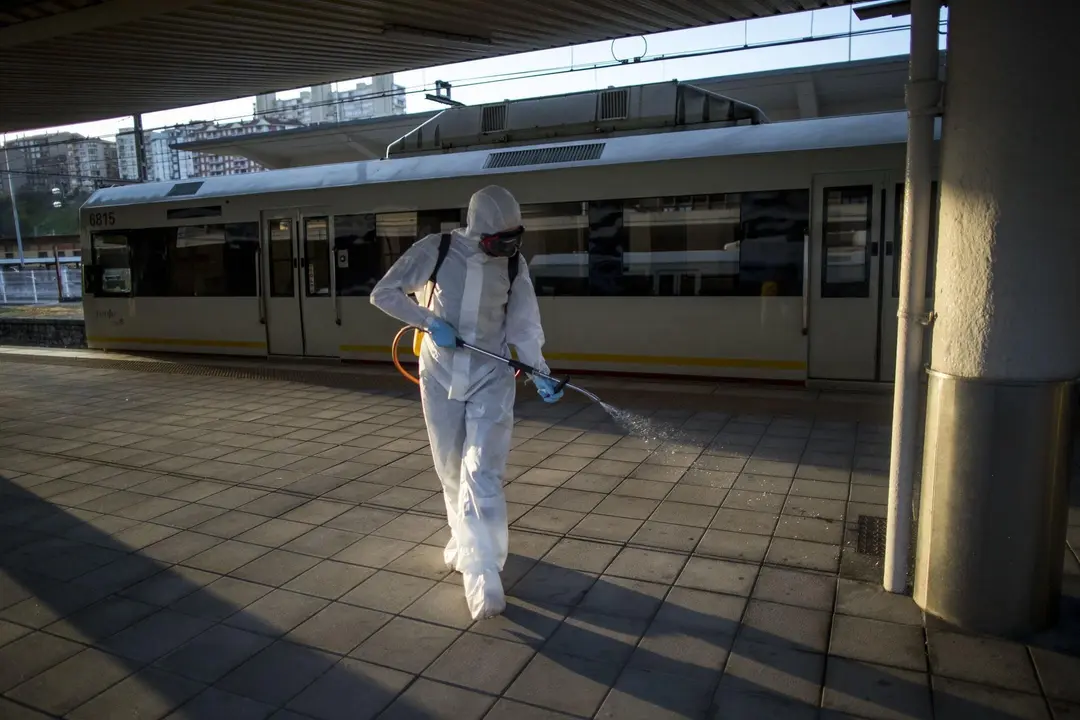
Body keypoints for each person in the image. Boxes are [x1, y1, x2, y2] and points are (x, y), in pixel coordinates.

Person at [370, 185, 562, 620]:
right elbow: (384, 293)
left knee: (482, 473)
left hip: (491, 379)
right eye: (499, 241)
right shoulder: (437, 250)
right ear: (478, 231)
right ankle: (464, 541)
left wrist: (540, 371)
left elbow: (524, 325)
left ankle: (483, 571)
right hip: (439, 377)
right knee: (452, 472)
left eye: (514, 240)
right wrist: (429, 321)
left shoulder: (513, 265)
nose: (507, 249)